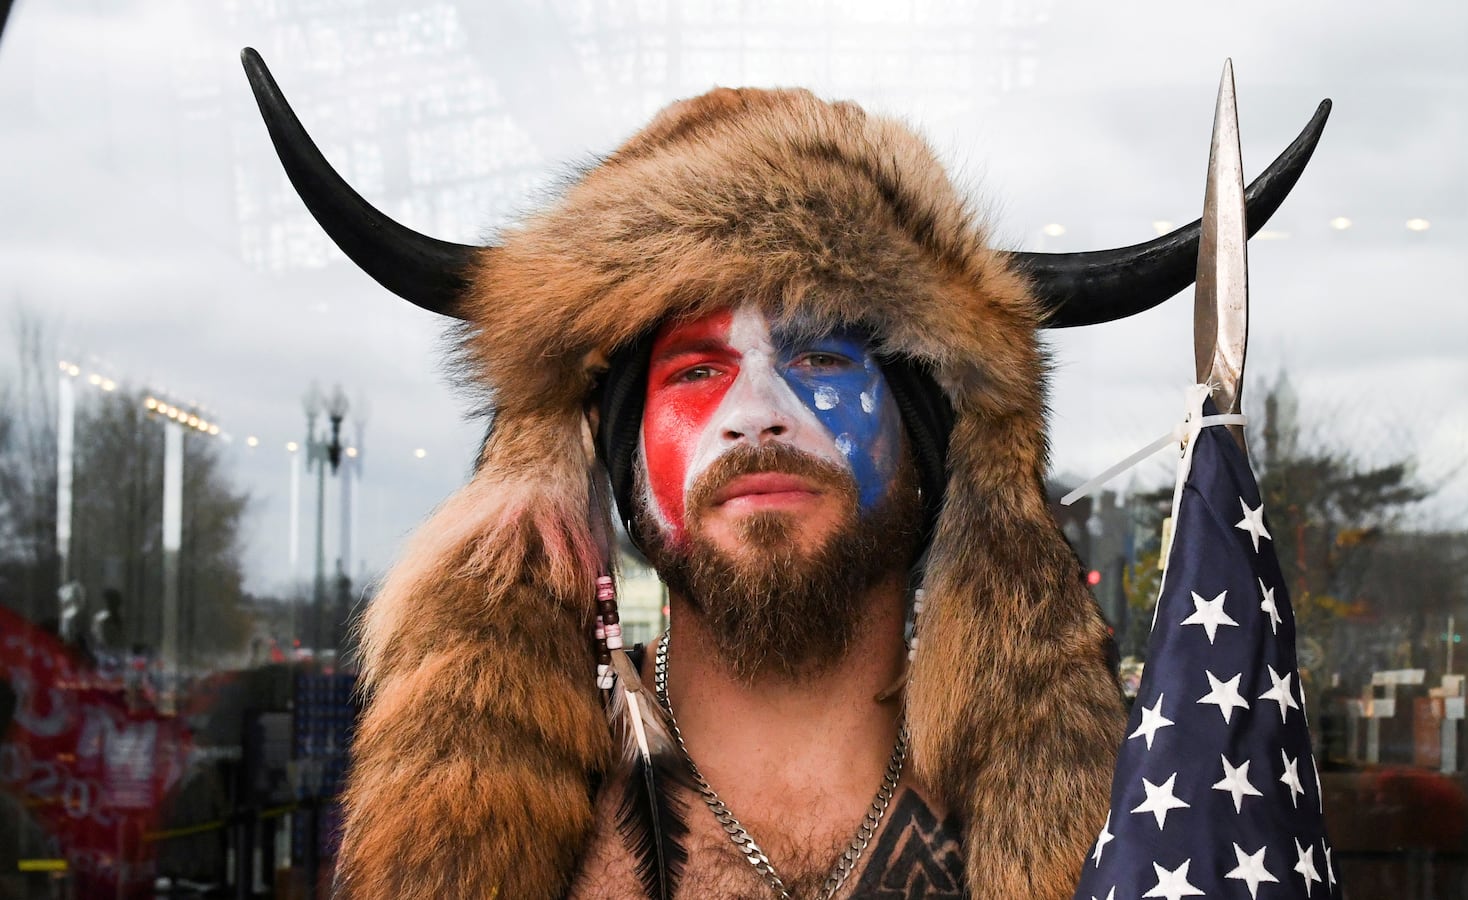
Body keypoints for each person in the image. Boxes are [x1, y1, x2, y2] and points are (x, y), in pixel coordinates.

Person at [242, 51, 1324, 899]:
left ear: (929, 443)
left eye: (818, 359)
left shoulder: (1137, 834)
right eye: (698, 370)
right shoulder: (534, 848)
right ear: (617, 465)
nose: (757, 415)